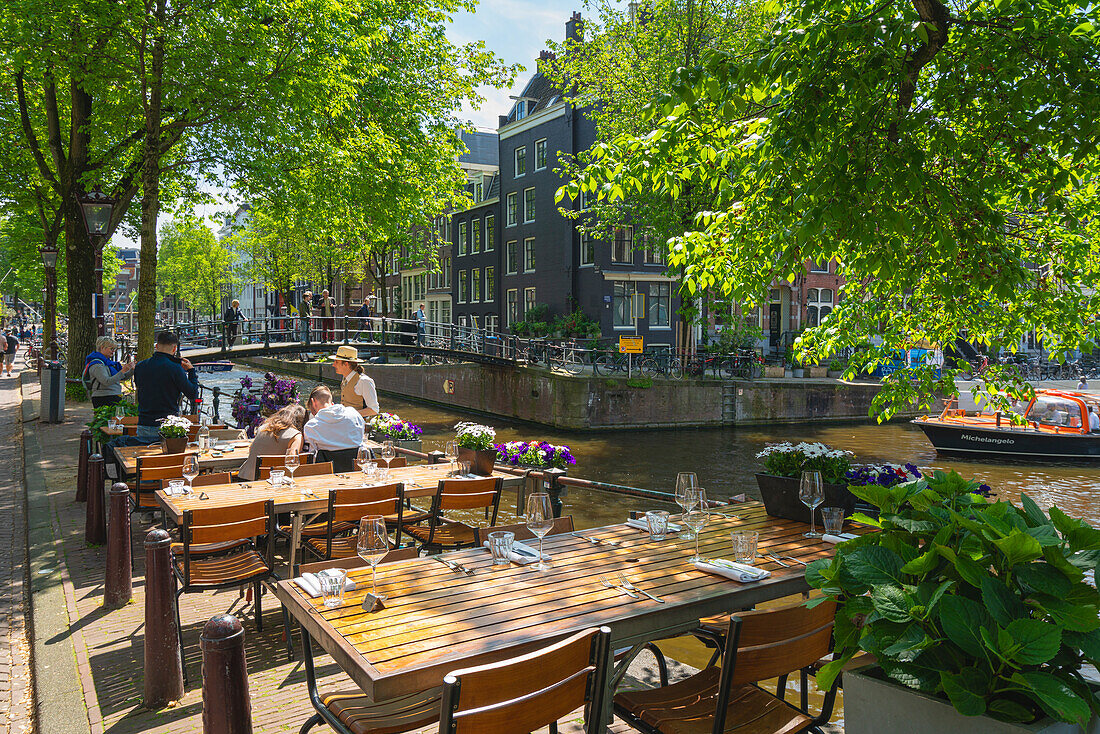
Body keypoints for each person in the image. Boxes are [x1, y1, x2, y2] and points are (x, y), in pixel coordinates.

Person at [132, 331, 199, 440]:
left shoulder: (140, 366)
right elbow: (192, 394)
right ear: (174, 349)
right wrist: (191, 371)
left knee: (144, 453)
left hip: (144, 422)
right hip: (167, 424)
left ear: (157, 346)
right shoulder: (175, 368)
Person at [238, 403, 307, 481]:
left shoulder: (263, 428)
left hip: (245, 477)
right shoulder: (296, 436)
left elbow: (251, 450)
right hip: (273, 480)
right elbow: (292, 461)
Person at [303, 385, 364, 471]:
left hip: (327, 474)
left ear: (313, 402)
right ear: (331, 403)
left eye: (312, 411)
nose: (313, 414)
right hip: (356, 471)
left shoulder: (311, 426)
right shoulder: (354, 414)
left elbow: (311, 452)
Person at [82, 336, 136, 408]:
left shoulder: (108, 363)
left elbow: (122, 377)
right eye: (111, 349)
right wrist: (123, 371)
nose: (113, 351)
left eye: (114, 349)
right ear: (102, 348)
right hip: (104, 397)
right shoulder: (97, 365)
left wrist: (132, 369)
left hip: (113, 395)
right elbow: (107, 381)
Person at [331, 345, 379, 417]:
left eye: (337, 362)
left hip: (358, 425)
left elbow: (374, 410)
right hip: (345, 423)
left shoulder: (364, 381)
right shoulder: (345, 378)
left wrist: (348, 415)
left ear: (346, 364)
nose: (333, 365)